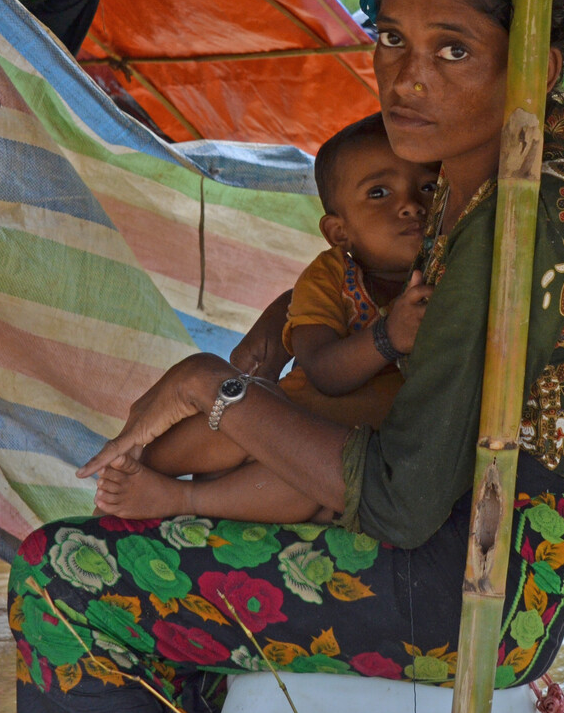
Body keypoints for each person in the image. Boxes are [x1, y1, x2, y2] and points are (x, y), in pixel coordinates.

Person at [9, 0, 564, 713]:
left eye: (453, 51)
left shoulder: (515, 221)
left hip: (470, 592)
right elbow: (350, 290)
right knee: (166, 534)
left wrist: (219, 390)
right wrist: (263, 357)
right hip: (502, 562)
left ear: (536, 62)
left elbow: (398, 502)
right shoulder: (519, 163)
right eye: (394, 39)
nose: (407, 80)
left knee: (60, 578)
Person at [130, 115, 439, 524]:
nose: (411, 205)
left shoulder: (444, 282)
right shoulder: (329, 276)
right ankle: (137, 468)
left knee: (306, 489)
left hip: (325, 461)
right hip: (279, 422)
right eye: (379, 192)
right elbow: (324, 370)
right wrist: (386, 337)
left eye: (430, 187)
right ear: (338, 232)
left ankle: (184, 499)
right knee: (242, 406)